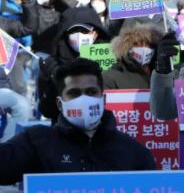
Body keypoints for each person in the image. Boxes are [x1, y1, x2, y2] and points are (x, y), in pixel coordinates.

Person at [0, 58, 156, 185]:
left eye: (91, 92)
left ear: (103, 99)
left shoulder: (134, 152)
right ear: (60, 104)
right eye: (74, 93)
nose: (83, 99)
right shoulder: (38, 142)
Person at [38, 7, 111, 120]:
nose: (78, 35)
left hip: (103, 129)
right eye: (73, 31)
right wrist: (54, 79)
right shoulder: (51, 64)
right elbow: (46, 110)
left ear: (95, 33)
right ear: (65, 34)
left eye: (84, 31)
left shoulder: (112, 60)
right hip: (64, 130)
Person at [103, 24, 163, 89]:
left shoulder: (165, 74)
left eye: (149, 45)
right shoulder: (110, 77)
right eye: (137, 44)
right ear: (127, 47)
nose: (144, 48)